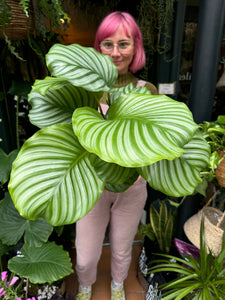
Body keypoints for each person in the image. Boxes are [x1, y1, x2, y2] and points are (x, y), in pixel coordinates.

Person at [75, 11, 157, 300]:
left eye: (123, 44)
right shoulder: (85, 91)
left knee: (122, 248)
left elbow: (155, 139)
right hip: (93, 186)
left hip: (131, 185)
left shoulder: (145, 91)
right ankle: (85, 286)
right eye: (107, 44)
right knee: (85, 255)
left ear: (136, 46)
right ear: (98, 48)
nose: (115, 52)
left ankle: (118, 284)